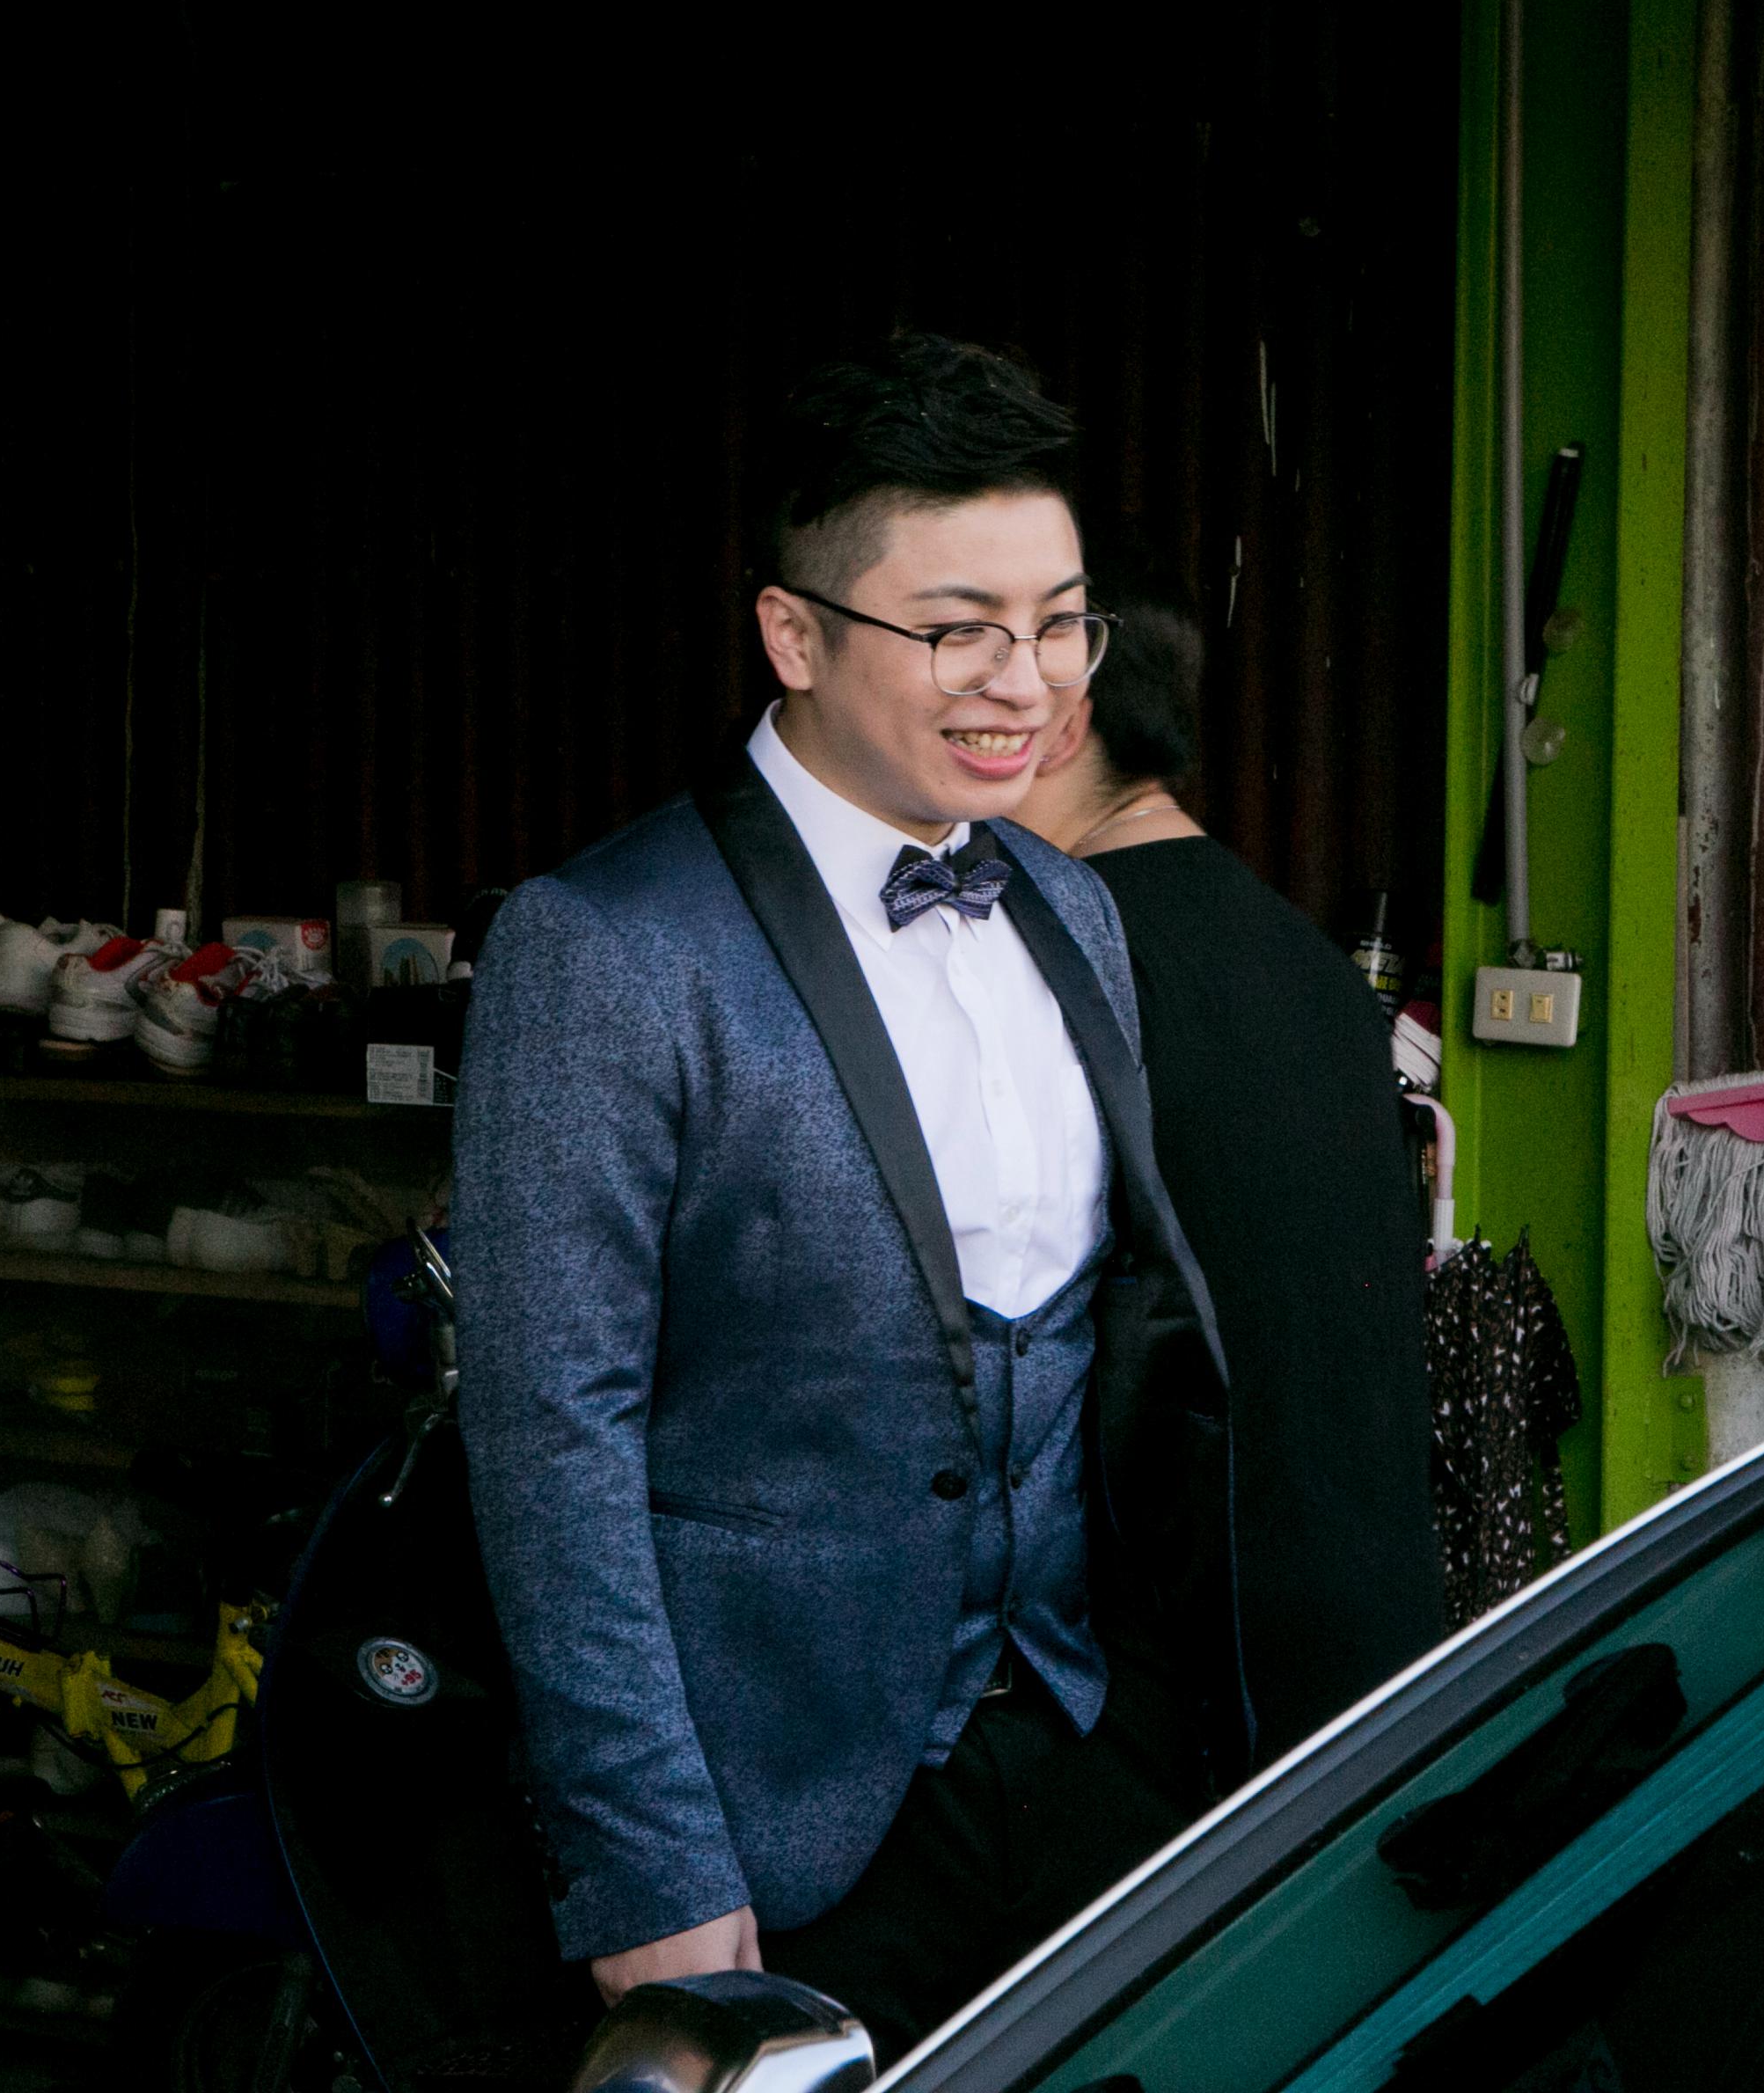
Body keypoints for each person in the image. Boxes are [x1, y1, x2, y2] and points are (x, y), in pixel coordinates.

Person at [454, 337, 1239, 2054]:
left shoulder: (1069, 907)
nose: (1025, 683)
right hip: (772, 1830)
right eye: (959, 629)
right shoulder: (604, 948)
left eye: (1061, 624)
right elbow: (548, 1429)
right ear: (794, 636)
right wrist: (644, 1859)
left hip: (1082, 1765)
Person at [1014, 596, 1447, 1749]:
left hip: (1187, 1686)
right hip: (1364, 1644)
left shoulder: (1067, 965)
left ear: (1064, 720)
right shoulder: (1307, 960)